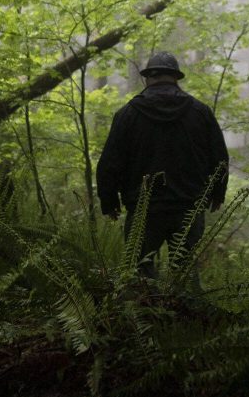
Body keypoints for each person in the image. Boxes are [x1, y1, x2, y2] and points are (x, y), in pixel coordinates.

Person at [96, 51, 229, 281]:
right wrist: (218, 192)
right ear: (176, 78)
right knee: (185, 275)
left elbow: (110, 162)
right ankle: (187, 317)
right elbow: (220, 159)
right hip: (189, 207)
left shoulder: (127, 114)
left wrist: (109, 201)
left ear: (148, 78)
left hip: (143, 210)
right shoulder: (201, 112)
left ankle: (146, 317)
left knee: (139, 278)